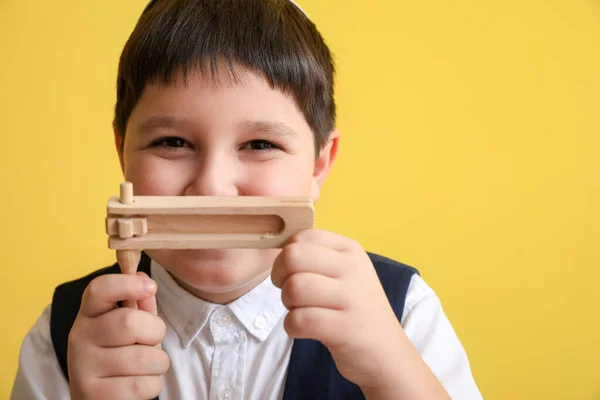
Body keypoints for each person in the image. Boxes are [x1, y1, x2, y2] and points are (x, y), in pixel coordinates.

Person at [11, 0, 482, 398]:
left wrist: (395, 372)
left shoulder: (403, 313)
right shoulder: (66, 335)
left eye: (260, 145)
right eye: (172, 142)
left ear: (319, 164)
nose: (214, 186)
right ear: (122, 152)